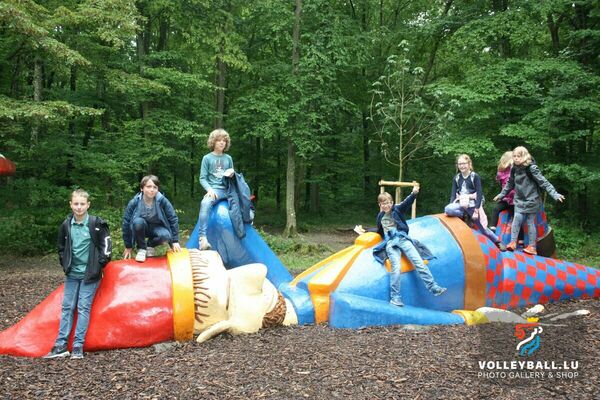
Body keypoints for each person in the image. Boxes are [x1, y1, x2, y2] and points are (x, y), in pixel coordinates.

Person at [43, 189, 112, 359]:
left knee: (83, 307)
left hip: (90, 274)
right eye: (76, 204)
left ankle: (78, 346)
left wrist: (99, 265)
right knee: (67, 307)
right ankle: (61, 345)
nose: (79, 207)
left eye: (82, 204)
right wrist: (65, 263)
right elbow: (61, 247)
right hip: (72, 273)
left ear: (88, 205)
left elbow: (106, 246)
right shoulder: (66, 225)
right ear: (70, 205)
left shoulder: (96, 224)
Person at [356, 187, 447, 307]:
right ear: (380, 205)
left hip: (402, 239)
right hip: (391, 243)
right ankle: (395, 297)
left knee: (418, 262)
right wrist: (365, 230)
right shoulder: (380, 217)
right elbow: (379, 231)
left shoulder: (397, 209)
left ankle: (433, 287)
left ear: (392, 203)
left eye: (388, 203)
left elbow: (407, 202)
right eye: (384, 204)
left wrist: (414, 193)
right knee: (396, 268)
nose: (387, 205)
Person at [493, 146, 565, 255]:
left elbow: (543, 182)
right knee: (517, 219)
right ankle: (513, 242)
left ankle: (532, 246)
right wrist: (501, 195)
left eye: (518, 156)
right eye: (514, 156)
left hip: (532, 199)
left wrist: (555, 194)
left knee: (530, 222)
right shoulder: (514, 169)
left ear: (524, 157)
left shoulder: (531, 168)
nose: (516, 158)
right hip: (519, 199)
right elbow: (510, 184)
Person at [444, 154, 507, 251]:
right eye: (460, 164)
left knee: (483, 229)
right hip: (462, 203)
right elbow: (453, 195)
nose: (462, 166)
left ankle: (497, 241)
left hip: (473, 204)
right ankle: (465, 215)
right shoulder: (456, 178)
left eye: (464, 163)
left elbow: (479, 194)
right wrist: (451, 206)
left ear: (469, 164)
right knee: (448, 209)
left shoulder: (474, 176)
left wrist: (476, 211)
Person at [122, 175, 182, 262]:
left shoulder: (162, 201)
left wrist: (175, 241)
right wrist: (128, 246)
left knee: (166, 236)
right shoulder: (134, 202)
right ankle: (142, 248)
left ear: (157, 189)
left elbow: (173, 219)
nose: (152, 189)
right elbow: (126, 222)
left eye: (155, 187)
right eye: (148, 186)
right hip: (141, 228)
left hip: (157, 228)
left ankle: (150, 245)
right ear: (142, 188)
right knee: (138, 222)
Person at [198, 129, 235, 250]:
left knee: (244, 202)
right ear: (213, 142)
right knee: (205, 203)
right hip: (215, 190)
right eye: (219, 140)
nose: (222, 142)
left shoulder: (228, 158)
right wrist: (209, 190)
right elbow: (202, 178)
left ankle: (248, 226)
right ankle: (202, 238)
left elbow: (232, 175)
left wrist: (231, 174)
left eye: (224, 140)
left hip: (228, 189)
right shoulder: (207, 158)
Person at [489, 151, 515, 231]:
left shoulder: (514, 171)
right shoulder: (500, 173)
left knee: (515, 216)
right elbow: (502, 186)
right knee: (496, 209)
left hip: (515, 200)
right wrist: (501, 196)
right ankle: (493, 228)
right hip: (505, 199)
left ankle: (520, 237)